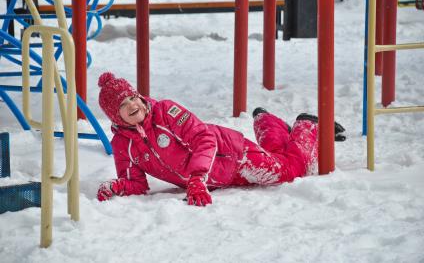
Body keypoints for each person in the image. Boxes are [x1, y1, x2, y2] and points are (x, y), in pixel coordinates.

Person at [96, 72, 346, 206]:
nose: (132, 105)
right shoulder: (123, 144)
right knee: (279, 161)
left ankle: (308, 125)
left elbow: (203, 138)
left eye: (132, 98)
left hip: (234, 155)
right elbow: (137, 183)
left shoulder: (165, 112)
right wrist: (118, 186)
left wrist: (196, 177)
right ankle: (266, 121)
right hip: (215, 177)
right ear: (114, 117)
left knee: (293, 170)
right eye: (122, 105)